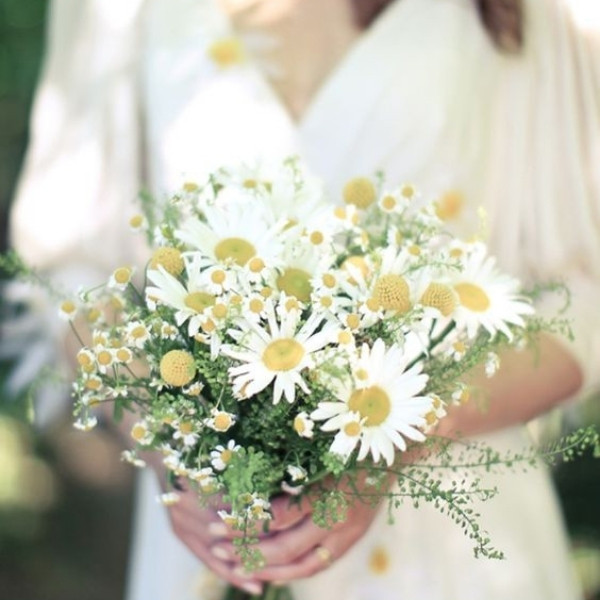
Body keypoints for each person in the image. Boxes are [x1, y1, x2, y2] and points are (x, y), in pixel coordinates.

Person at [7, 0, 600, 598]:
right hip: (215, 542)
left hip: (458, 551)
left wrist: (404, 430)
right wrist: (180, 450)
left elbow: (584, 290)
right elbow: (75, 273)